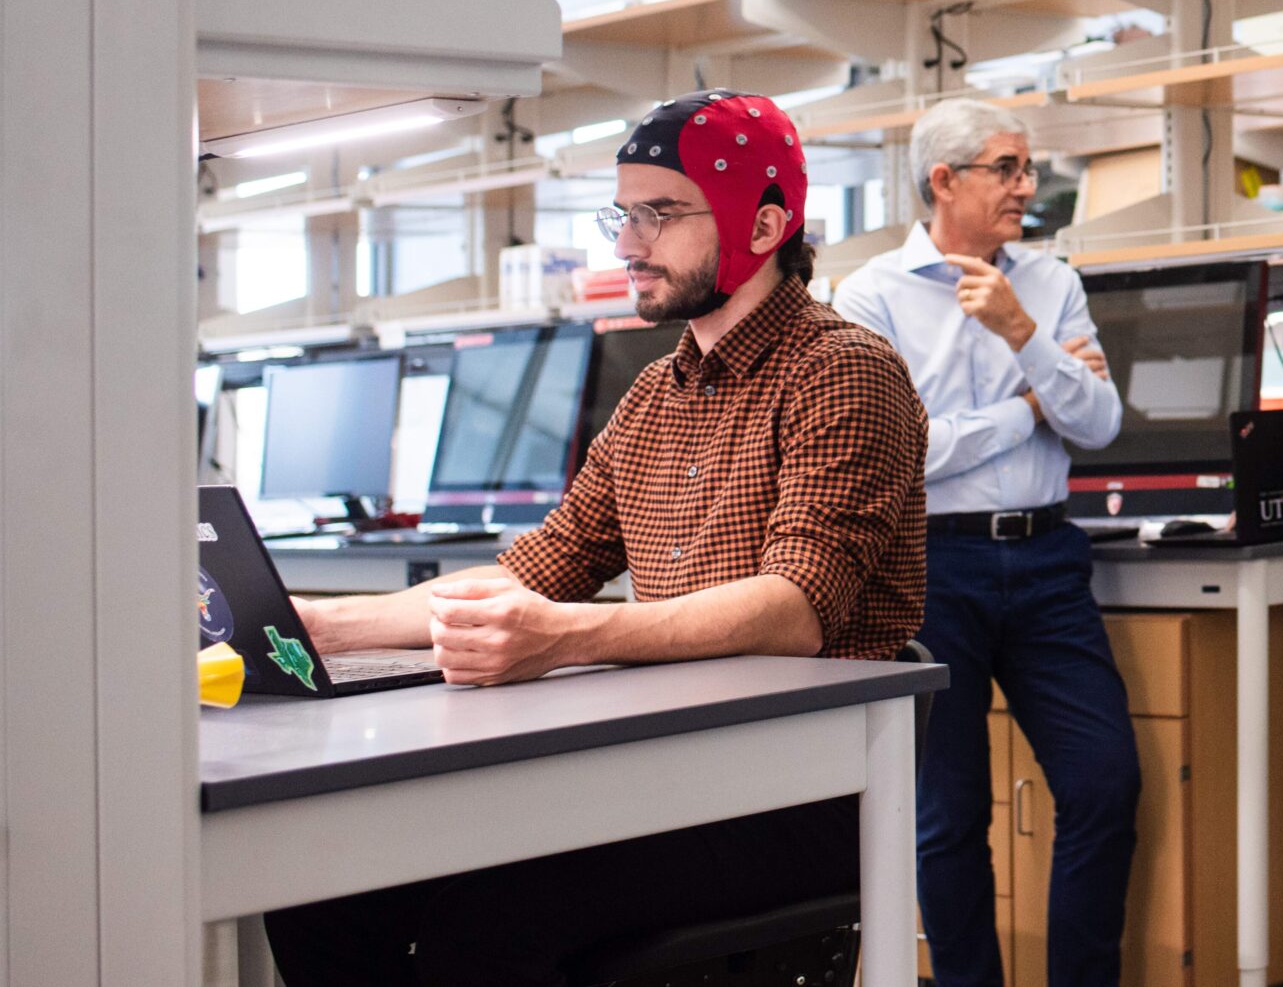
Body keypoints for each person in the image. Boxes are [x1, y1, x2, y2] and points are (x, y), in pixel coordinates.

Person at [264, 90, 928, 987]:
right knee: (325, 884)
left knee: (492, 920)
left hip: (796, 787)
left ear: (765, 223)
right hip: (670, 765)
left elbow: (796, 607)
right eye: (623, 212)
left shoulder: (845, 371)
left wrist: (565, 635)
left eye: (660, 213)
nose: (626, 244)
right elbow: (529, 569)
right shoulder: (654, 396)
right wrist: (313, 624)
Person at [834, 98, 1139, 987]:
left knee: (1104, 784)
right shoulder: (870, 296)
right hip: (931, 566)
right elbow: (901, 452)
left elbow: (1100, 421)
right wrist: (1024, 407)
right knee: (949, 814)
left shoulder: (1049, 285)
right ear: (944, 179)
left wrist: (1020, 332)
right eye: (1007, 167)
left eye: (1027, 167)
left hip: (1047, 562)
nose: (1026, 186)